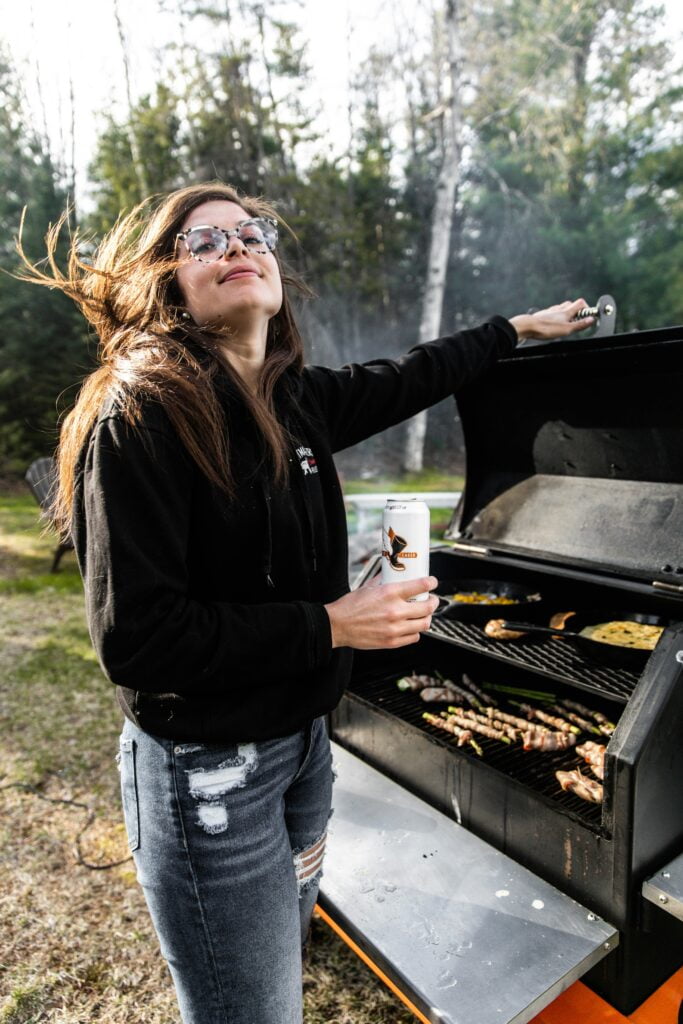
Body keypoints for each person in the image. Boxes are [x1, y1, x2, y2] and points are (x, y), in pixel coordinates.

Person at [21, 182, 593, 1024]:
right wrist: (334, 623)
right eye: (203, 241)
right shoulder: (139, 411)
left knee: (274, 972)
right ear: (163, 279)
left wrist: (516, 329)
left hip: (301, 752)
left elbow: (415, 373)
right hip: (206, 776)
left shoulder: (296, 399)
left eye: (250, 233)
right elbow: (136, 639)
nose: (237, 247)